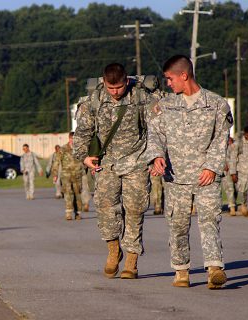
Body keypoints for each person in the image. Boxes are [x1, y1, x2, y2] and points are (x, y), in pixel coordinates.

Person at [148, 55, 233, 289]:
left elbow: (221, 138)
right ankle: (181, 269)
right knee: (177, 224)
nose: (168, 84)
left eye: (169, 78)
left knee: (209, 221)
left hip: (206, 175)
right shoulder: (165, 106)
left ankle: (215, 268)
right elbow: (155, 134)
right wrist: (156, 156)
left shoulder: (216, 104)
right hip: (176, 177)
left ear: (183, 76)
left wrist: (212, 167)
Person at [73, 63, 156, 279]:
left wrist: (155, 156)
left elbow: (158, 129)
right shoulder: (95, 100)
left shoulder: (141, 98)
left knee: (135, 209)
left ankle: (131, 260)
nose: (115, 92)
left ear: (126, 81)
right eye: (111, 88)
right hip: (107, 162)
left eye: (118, 87)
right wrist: (84, 157)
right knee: (105, 206)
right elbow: (82, 131)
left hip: (136, 160)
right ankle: (113, 250)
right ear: (104, 83)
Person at [52, 132, 85, 220]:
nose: (72, 140)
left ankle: (78, 213)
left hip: (77, 175)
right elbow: (56, 162)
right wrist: (55, 174)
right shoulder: (63, 149)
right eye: (71, 138)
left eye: (74, 139)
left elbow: (85, 160)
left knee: (77, 194)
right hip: (66, 175)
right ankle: (68, 213)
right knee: (67, 194)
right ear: (69, 138)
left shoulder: (80, 149)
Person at [223, 137, 237, 216]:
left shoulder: (234, 145)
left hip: (234, 170)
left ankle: (233, 206)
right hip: (224, 170)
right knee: (228, 189)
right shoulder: (220, 144)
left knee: (234, 189)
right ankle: (232, 206)